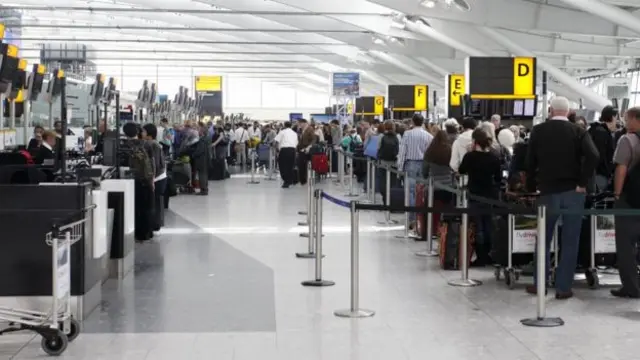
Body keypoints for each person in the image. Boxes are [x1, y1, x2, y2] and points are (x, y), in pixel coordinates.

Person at [525, 96, 599, 299]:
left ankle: (540, 283)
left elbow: (529, 161)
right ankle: (563, 287)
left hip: (547, 192)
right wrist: (582, 182)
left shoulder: (539, 131)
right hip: (573, 192)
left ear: (550, 110)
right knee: (570, 240)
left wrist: (531, 186)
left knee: (543, 239)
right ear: (568, 112)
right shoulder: (579, 131)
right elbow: (594, 155)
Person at [459, 129, 502, 266]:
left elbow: (461, 170)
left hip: (474, 194)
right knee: (489, 225)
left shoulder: (470, 157)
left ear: (474, 141)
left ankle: (481, 256)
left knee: (478, 226)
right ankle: (490, 254)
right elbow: (499, 178)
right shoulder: (494, 157)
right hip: (490, 195)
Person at [611, 106, 640, 298]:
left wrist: (617, 193)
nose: (625, 123)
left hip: (630, 199)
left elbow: (621, 168)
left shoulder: (627, 139)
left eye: (627, 119)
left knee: (625, 244)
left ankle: (631, 287)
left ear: (634, 119)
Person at [397, 114, 433, 226]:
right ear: (422, 122)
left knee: (410, 191)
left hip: (410, 163)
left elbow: (402, 152)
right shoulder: (429, 136)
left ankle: (411, 218)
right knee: (421, 191)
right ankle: (420, 218)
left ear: (412, 122)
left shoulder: (407, 134)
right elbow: (429, 154)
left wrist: (400, 167)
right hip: (423, 164)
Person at [123, 123, 155, 241]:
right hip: (146, 179)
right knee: (146, 207)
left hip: (131, 180)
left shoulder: (124, 145)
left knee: (134, 207)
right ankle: (147, 232)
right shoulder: (146, 145)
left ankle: (135, 232)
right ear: (138, 132)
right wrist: (152, 180)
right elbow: (152, 164)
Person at [423, 129, 455, 235]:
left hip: (433, 186)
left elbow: (425, 169)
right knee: (448, 210)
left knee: (429, 210)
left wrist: (425, 177)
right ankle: (446, 232)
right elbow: (454, 167)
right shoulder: (450, 150)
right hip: (448, 186)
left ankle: (429, 231)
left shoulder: (430, 151)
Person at [142, 123, 167, 231]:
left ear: (149, 134)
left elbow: (155, 164)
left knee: (154, 203)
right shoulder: (151, 143)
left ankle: (154, 225)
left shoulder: (152, 145)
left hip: (158, 178)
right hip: (158, 178)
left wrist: (151, 179)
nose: (141, 133)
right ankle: (155, 224)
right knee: (155, 202)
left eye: (143, 131)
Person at [588, 106, 617, 192]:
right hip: (598, 175)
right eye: (616, 118)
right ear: (612, 117)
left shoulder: (594, 129)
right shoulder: (602, 133)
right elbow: (599, 156)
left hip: (592, 174)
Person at [274, 121, 298, 188]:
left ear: (284, 125)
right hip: (292, 150)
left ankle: (286, 181)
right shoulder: (294, 133)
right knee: (290, 166)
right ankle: (290, 180)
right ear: (291, 126)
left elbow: (276, 141)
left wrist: (277, 150)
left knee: (282, 166)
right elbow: (296, 144)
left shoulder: (282, 132)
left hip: (284, 150)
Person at [192, 122, 212, 195]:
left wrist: (193, 154)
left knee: (202, 175)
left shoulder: (202, 140)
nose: (198, 131)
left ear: (202, 131)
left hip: (201, 160)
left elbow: (200, 150)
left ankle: (203, 190)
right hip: (206, 158)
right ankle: (205, 189)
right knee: (205, 174)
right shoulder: (208, 138)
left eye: (199, 129)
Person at [297, 119, 316, 185]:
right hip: (301, 148)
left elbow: (314, 139)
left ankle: (305, 179)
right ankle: (302, 180)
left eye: (299, 123)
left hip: (307, 149)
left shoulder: (310, 129)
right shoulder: (301, 129)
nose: (299, 125)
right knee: (301, 164)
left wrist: (309, 147)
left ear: (304, 123)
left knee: (305, 164)